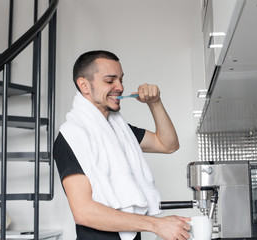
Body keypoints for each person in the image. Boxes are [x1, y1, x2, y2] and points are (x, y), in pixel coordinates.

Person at [53, 50, 191, 240]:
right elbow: (83, 212)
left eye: (121, 80)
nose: (120, 87)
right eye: (110, 81)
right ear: (84, 85)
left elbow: (168, 144)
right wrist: (156, 224)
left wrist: (155, 103)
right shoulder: (71, 137)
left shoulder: (120, 131)